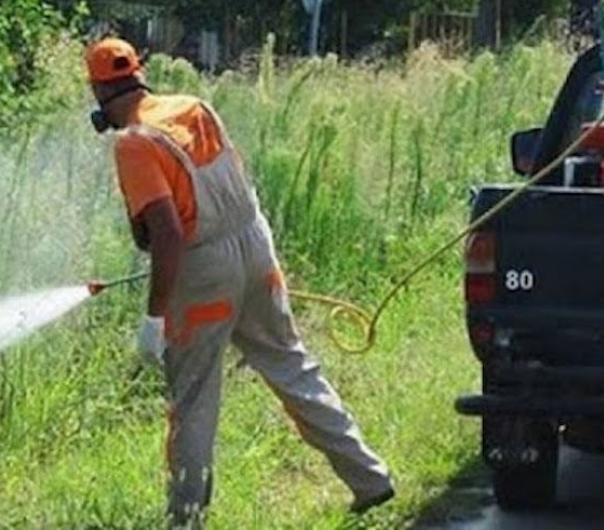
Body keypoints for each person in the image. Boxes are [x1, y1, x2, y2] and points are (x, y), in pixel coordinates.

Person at [84, 37, 394, 527]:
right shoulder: (194, 106)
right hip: (255, 244)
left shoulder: (134, 143)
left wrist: (153, 318)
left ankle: (186, 518)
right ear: (139, 73)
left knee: (193, 396)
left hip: (203, 268)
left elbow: (167, 233)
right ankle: (370, 478)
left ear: (98, 91)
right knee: (292, 365)